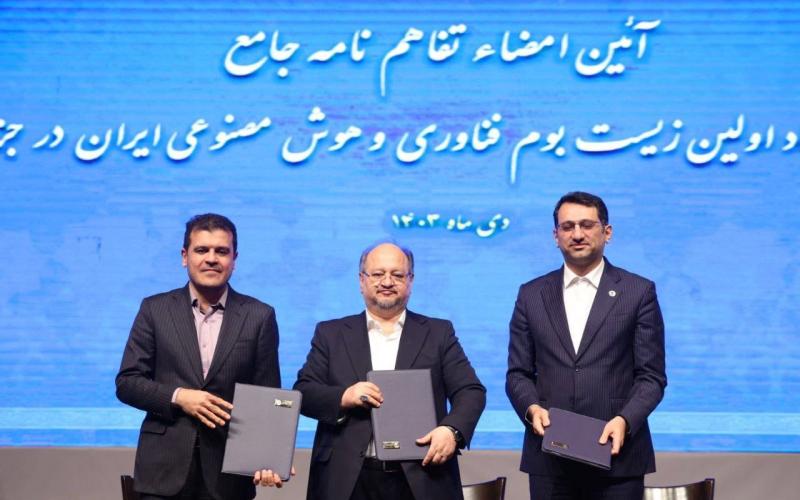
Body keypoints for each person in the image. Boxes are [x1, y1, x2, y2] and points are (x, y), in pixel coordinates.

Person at [506, 192, 667, 500]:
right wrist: (531, 409)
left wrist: (625, 421)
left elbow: (652, 377)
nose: (577, 234)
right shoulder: (531, 294)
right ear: (555, 236)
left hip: (618, 459)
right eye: (567, 227)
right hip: (550, 459)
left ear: (607, 232)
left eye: (587, 225)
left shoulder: (638, 292)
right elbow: (517, 374)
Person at [294, 242, 486, 500]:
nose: (387, 282)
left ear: (410, 280)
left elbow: (471, 391)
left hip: (422, 476)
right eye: (377, 274)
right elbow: (304, 392)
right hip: (346, 479)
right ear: (361, 280)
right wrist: (344, 397)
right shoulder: (331, 334)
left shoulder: (438, 333)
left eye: (397, 275)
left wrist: (451, 431)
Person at [116, 213, 284, 500]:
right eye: (202, 250)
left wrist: (268, 458)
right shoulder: (155, 309)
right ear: (185, 256)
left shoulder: (259, 316)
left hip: (228, 476)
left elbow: (267, 396)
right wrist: (179, 396)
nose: (211, 259)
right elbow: (127, 383)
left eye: (222, 251)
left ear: (234, 259)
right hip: (162, 472)